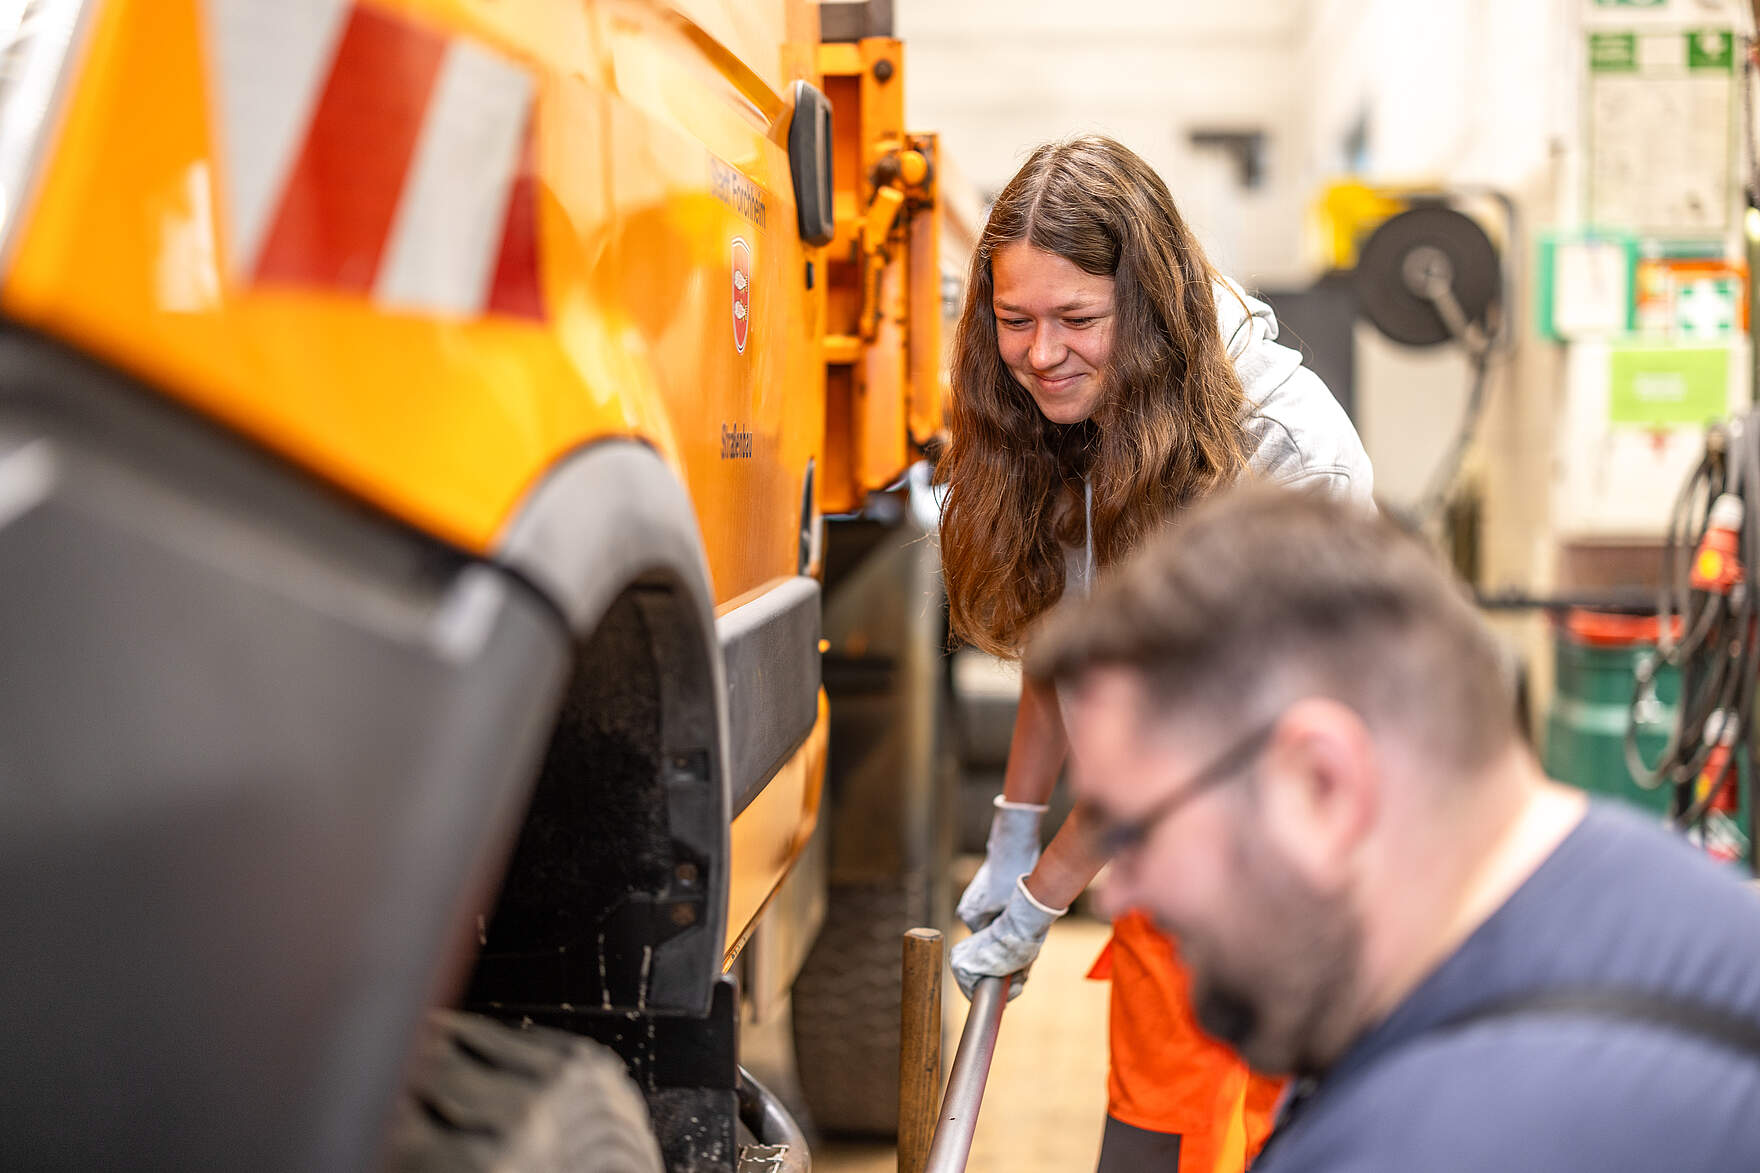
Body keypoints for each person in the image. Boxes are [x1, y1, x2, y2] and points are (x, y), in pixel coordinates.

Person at [1029, 486, 1760, 1172]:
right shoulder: (1677, 913)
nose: (1114, 895)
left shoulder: (1417, 1145)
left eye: (1134, 833)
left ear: (1322, 786)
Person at [935, 133, 1371, 1172]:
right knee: (1150, 1129)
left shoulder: (1284, 460)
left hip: (1296, 885)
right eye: (1013, 322)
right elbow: (1065, 625)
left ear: (1147, 310)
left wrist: (1045, 890)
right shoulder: (1070, 405)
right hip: (1173, 881)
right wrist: (1014, 823)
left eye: (1076, 319)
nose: (1040, 352)